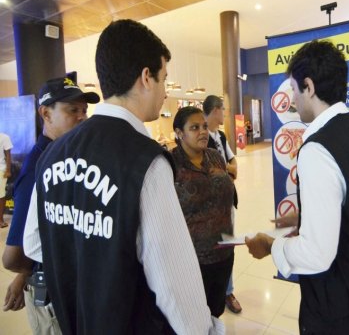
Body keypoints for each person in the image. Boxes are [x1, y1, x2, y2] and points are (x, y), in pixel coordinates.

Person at [23, 19, 224, 334]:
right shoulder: (145, 162)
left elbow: (34, 243)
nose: (164, 90)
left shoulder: (52, 154)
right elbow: (174, 285)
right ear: (146, 77)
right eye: (164, 79)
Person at [245, 40, 349, 334]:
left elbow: (316, 254)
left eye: (294, 90)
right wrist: (306, 218)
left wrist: (271, 246)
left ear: (308, 87)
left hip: (340, 300)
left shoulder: (318, 148)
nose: (293, 101)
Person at [2, 76, 97, 334]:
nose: (81, 117)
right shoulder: (39, 168)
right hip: (55, 303)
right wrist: (29, 273)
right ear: (45, 113)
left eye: (84, 110)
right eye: (71, 110)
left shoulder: (65, 158)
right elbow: (12, 257)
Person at [171, 106, 235, 318]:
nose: (203, 132)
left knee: (215, 311)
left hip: (224, 252)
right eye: (195, 127)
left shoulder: (215, 156)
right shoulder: (170, 164)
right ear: (180, 133)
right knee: (195, 316)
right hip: (193, 259)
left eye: (205, 126)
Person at [202, 94, 242, 314]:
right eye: (223, 109)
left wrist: (227, 168)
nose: (225, 112)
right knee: (212, 248)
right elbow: (211, 169)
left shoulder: (222, 136)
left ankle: (228, 291)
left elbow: (233, 163)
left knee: (228, 245)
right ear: (215, 110)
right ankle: (215, 292)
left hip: (227, 200)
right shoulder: (201, 136)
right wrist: (228, 169)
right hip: (209, 203)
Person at [0, 132, 13, 228]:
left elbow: (8, 155)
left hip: (1, 169)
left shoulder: (4, 137)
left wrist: (8, 170)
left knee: (0, 195)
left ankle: (0, 219)